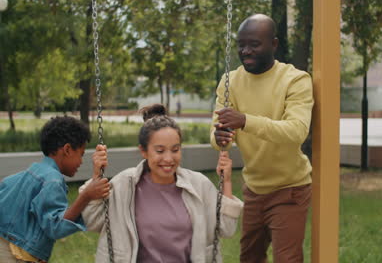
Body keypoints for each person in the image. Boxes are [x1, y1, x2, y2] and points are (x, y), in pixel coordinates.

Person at [81, 103, 243, 263]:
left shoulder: (199, 185)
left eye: (175, 150)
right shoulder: (124, 185)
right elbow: (93, 221)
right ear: (143, 151)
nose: (168, 158)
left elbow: (226, 228)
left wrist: (226, 181)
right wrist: (97, 175)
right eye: (159, 151)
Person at [211, 14, 314, 262]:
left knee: (287, 258)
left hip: (290, 188)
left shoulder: (296, 80)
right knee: (249, 257)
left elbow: (296, 130)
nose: (246, 51)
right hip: (254, 188)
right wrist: (220, 136)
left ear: (274, 44)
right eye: (241, 44)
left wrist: (245, 120)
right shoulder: (230, 81)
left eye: (254, 44)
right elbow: (217, 139)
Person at [0, 116, 111, 263]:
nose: (81, 161)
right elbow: (55, 226)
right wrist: (86, 195)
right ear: (67, 149)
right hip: (15, 256)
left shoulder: (22, 176)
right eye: (81, 154)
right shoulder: (52, 180)